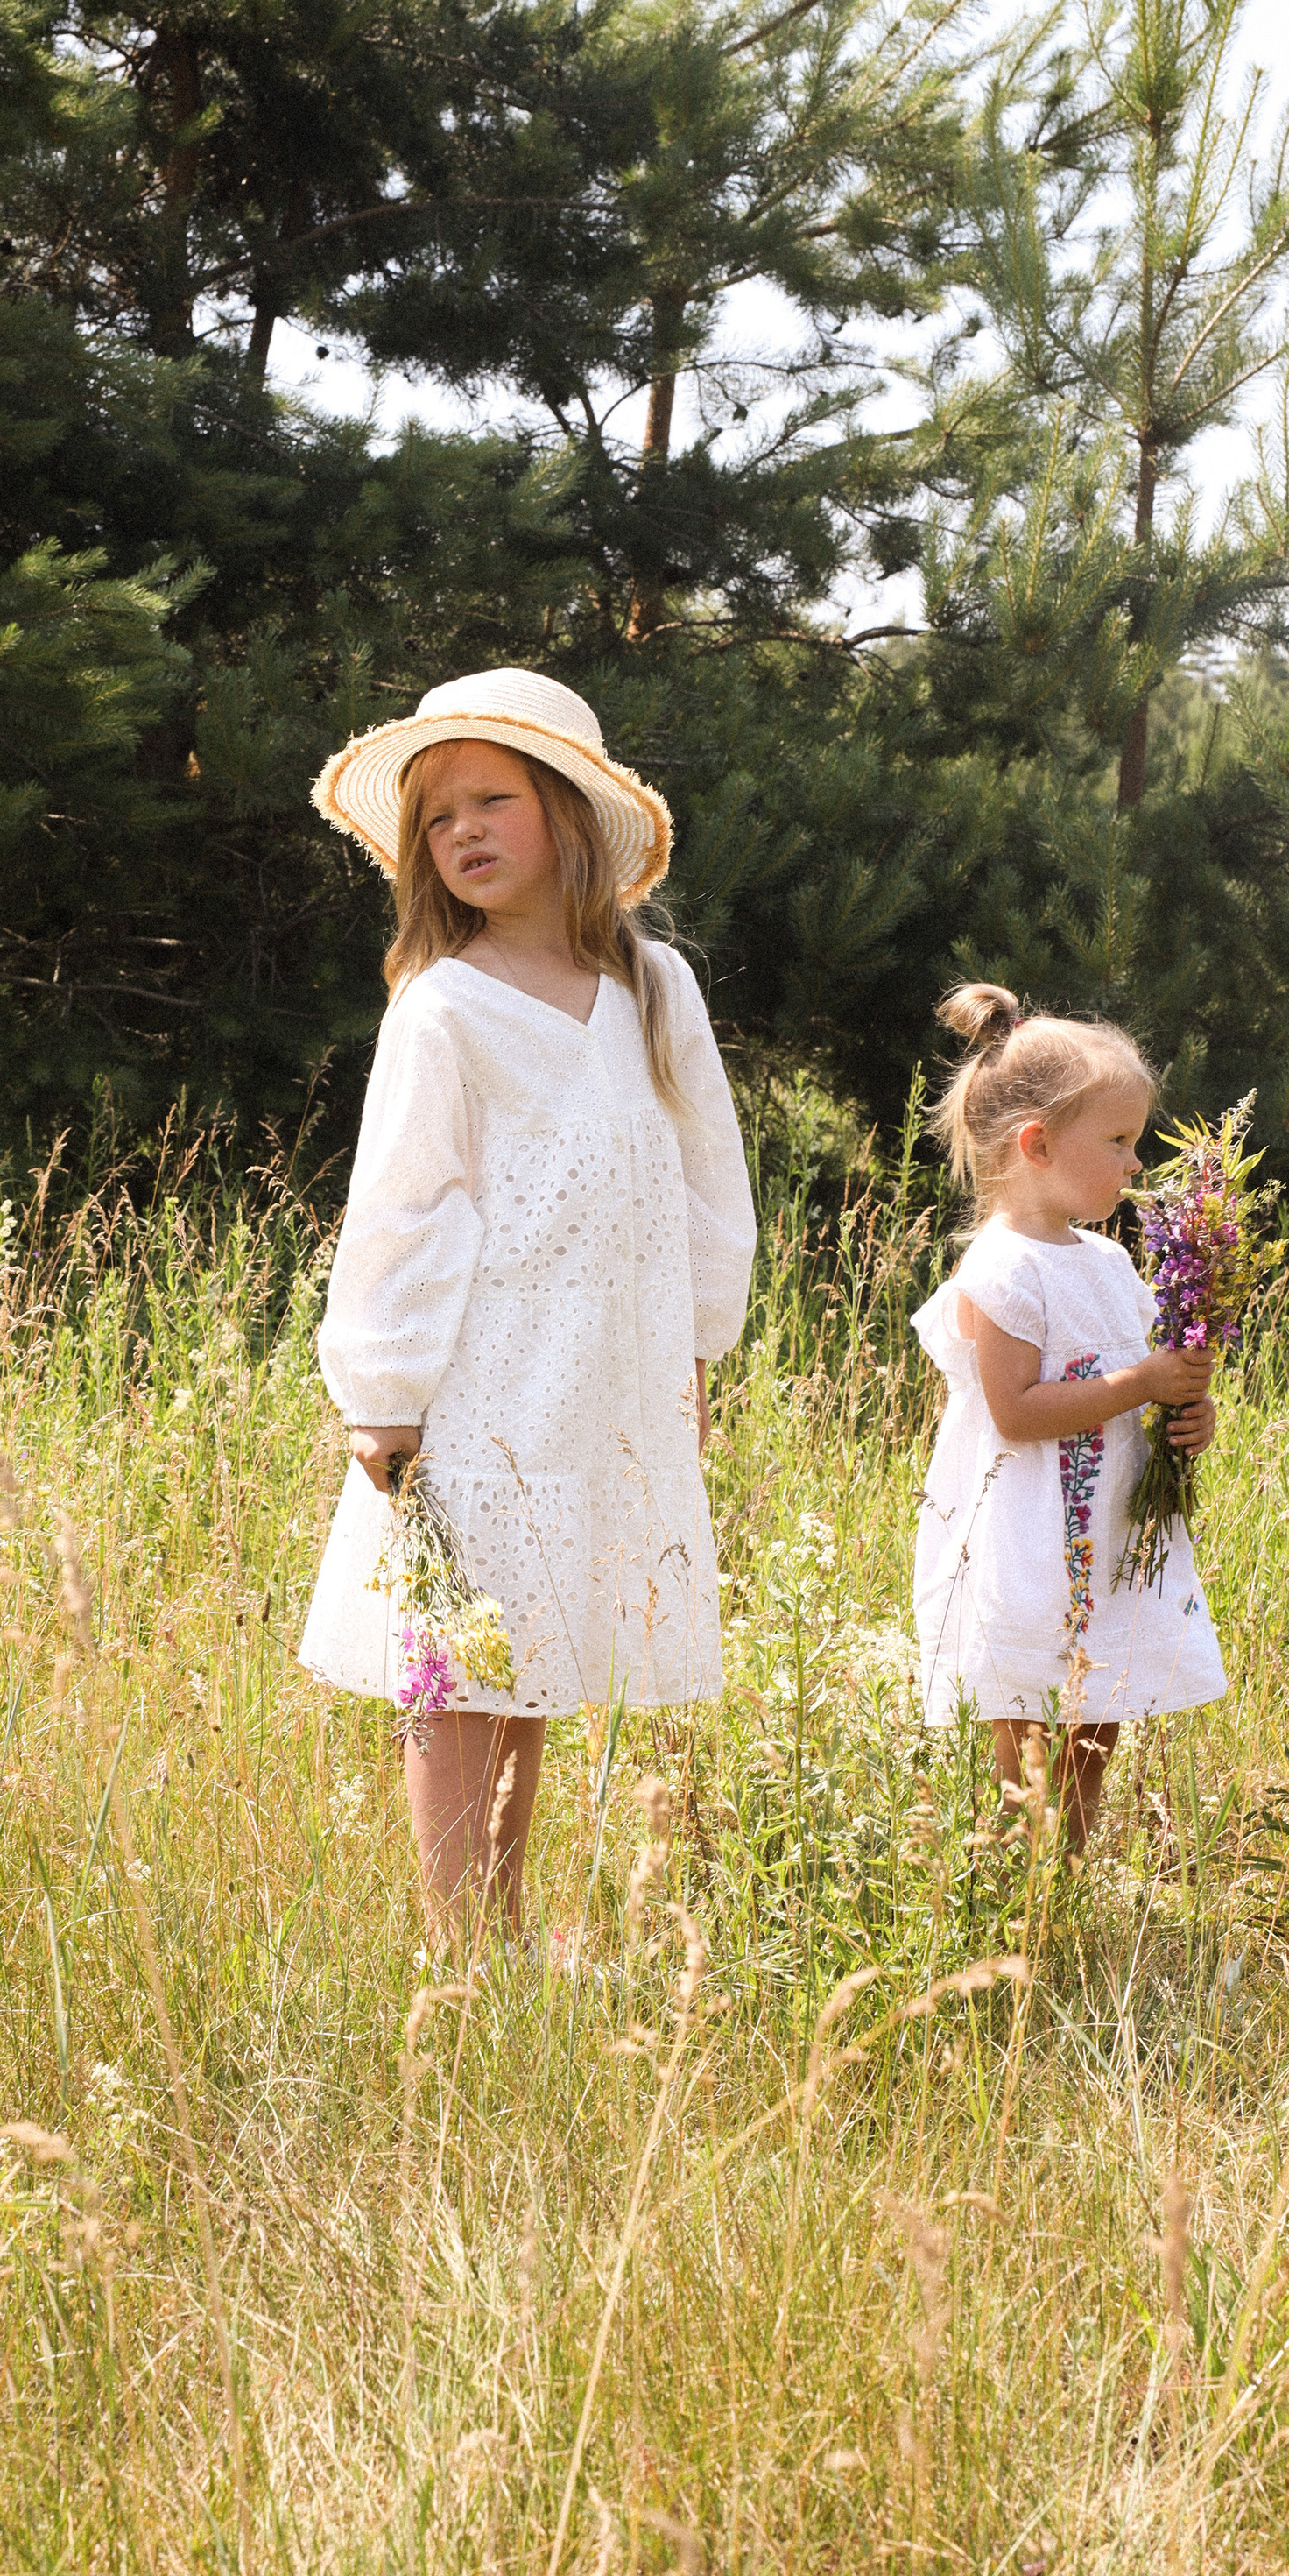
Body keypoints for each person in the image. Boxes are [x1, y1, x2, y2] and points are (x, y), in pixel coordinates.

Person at [298, 667, 756, 1944]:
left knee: (539, 1646)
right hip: (476, 1380)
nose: (462, 835)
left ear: (566, 811)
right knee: (454, 1663)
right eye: (438, 819)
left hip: (603, 1376)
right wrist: (383, 1399)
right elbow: (402, 1204)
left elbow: (709, 1183)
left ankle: (506, 1916)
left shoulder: (656, 992)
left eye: (492, 800)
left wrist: (691, 1353)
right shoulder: (444, 1008)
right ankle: (460, 1944)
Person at [910, 983, 1224, 1853]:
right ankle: (1014, 1895)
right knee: (1033, 1728)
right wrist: (1139, 1383)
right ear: (1037, 1144)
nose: (1135, 1164)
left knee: (1098, 1722)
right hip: (1031, 1542)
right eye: (1118, 1141)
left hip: (1109, 1536)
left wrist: (1186, 1414)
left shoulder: (1110, 1261)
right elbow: (1013, 1412)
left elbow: (1140, 1381)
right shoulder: (1000, 1271)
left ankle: (1063, 1885)